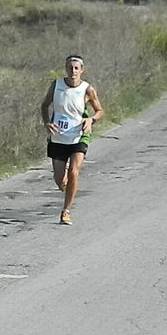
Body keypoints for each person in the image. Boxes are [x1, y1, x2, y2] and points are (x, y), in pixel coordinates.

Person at [40, 55, 103, 225]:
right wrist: (47, 123)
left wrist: (91, 120)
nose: (73, 71)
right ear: (65, 69)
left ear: (82, 70)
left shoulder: (87, 89)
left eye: (76, 68)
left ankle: (66, 211)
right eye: (70, 67)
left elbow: (99, 111)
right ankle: (69, 189)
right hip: (59, 136)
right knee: (60, 179)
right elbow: (44, 105)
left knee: (74, 171)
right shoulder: (57, 85)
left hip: (79, 136)